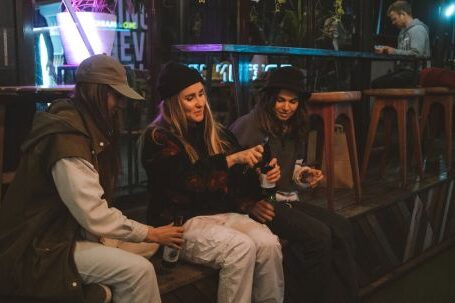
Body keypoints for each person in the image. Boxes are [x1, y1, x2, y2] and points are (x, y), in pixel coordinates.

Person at [0, 54, 184, 303]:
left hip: (64, 233)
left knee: (145, 248)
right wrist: (150, 232)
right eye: (115, 96)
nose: (119, 104)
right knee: (139, 271)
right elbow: (92, 213)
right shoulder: (67, 136)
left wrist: (146, 236)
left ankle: (97, 290)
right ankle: (90, 290)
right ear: (96, 92)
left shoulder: (78, 125)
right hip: (41, 245)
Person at [140, 62, 284, 303]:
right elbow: (188, 180)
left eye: (200, 94)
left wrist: (263, 177)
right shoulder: (158, 138)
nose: (199, 103)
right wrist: (231, 159)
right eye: (189, 98)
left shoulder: (217, 133)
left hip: (223, 214)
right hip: (180, 223)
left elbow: (239, 184)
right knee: (241, 248)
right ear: (173, 102)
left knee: (268, 244)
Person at [229, 66, 359, 303]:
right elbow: (227, 177)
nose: (286, 107)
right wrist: (249, 203)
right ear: (269, 99)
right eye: (280, 100)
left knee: (342, 226)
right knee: (318, 236)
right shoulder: (248, 125)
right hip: (258, 205)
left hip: (285, 199)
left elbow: (292, 168)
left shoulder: (295, 125)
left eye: (292, 101)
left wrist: (303, 174)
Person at [372, 0, 430, 88]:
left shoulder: (418, 29)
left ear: (402, 14)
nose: (393, 23)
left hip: (416, 73)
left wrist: (393, 51)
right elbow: (401, 53)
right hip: (405, 71)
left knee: (378, 84)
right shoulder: (402, 33)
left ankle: (393, 102)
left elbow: (417, 54)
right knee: (376, 83)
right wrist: (387, 50)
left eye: (394, 19)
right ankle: (392, 102)